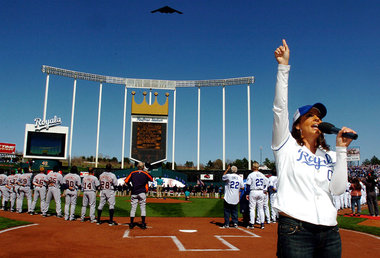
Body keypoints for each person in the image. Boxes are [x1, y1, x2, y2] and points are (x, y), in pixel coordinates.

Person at [272, 39, 356, 257]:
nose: (317, 119)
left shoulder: (328, 155)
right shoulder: (285, 145)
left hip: (329, 230)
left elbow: (337, 189)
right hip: (296, 229)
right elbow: (280, 109)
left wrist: (341, 150)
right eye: (311, 116)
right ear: (298, 124)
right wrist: (283, 67)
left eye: (319, 117)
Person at [125, 162, 153, 229]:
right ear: (143, 167)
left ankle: (131, 224)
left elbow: (126, 181)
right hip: (142, 192)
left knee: (133, 208)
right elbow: (151, 179)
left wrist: (131, 187)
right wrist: (147, 171)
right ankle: (143, 224)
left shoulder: (132, 173)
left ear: (137, 166)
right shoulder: (145, 173)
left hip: (134, 192)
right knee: (142, 208)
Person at [246, 162, 269, 229]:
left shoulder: (251, 175)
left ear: (253, 167)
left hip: (253, 191)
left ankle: (252, 224)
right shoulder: (262, 175)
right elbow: (266, 183)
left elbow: (248, 185)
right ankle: (262, 224)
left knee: (252, 208)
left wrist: (247, 194)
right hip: (261, 191)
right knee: (261, 209)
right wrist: (265, 190)